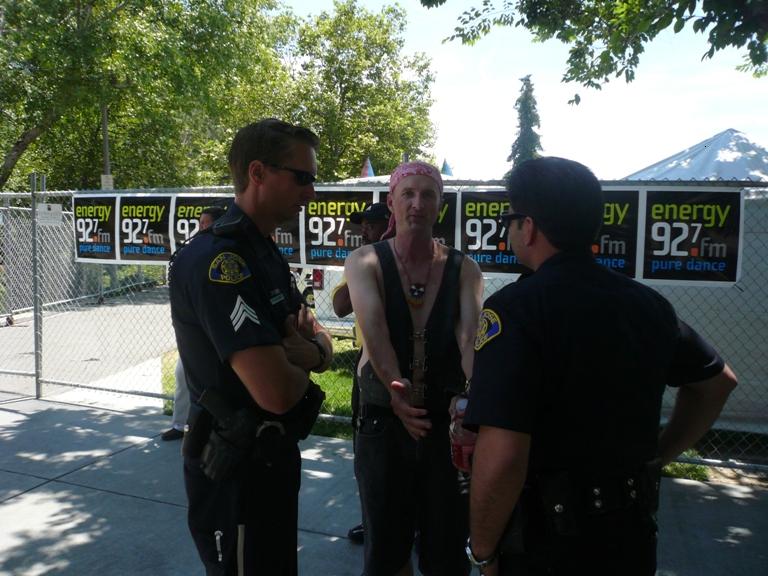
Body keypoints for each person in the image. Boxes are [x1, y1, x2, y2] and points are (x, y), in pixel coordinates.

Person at [463, 157, 738, 576]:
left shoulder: (515, 310)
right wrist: (658, 455)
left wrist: (483, 551)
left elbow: (503, 455)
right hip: (630, 536)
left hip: (548, 544)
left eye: (510, 220)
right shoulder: (648, 305)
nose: (509, 229)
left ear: (529, 227)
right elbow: (717, 383)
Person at [169, 118, 333, 575]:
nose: (311, 192)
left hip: (271, 463)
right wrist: (304, 358)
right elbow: (276, 391)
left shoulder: (264, 252)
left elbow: (314, 333)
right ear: (257, 172)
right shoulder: (220, 262)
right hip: (234, 473)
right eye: (302, 177)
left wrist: (314, 353)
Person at [345, 161, 484, 576]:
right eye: (407, 194)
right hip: (383, 422)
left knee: (446, 545)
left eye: (428, 195)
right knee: (386, 547)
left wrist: (475, 401)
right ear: (391, 202)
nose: (417, 204)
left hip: (442, 423)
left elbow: (469, 339)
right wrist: (396, 391)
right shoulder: (365, 261)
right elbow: (375, 330)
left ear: (440, 205)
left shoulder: (463, 269)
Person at [330, 201, 391, 544]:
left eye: (371, 223)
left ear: (389, 223)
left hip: (409, 363)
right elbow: (340, 307)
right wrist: (368, 266)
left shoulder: (413, 257)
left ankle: (412, 523)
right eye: (362, 224)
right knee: (368, 449)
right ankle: (374, 520)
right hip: (368, 365)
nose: (364, 230)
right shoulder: (362, 260)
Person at [163, 205, 226, 442]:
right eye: (200, 224)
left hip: (222, 331)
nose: (202, 228)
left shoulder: (226, 250)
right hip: (197, 332)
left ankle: (219, 429)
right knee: (182, 374)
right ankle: (180, 425)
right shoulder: (192, 252)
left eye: (206, 223)